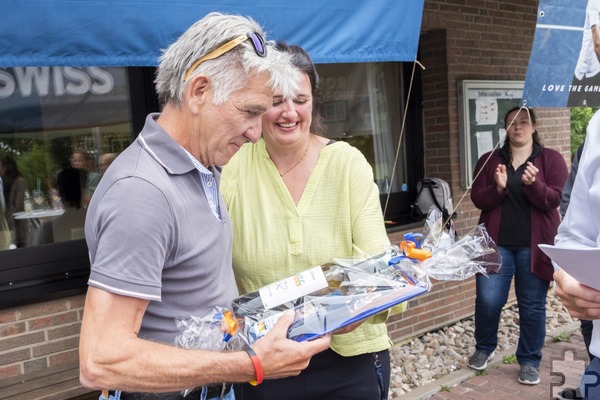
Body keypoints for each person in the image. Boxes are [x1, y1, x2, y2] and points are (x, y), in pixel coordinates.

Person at [79, 13, 330, 400]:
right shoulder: (141, 192)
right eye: (249, 112)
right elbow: (102, 360)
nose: (254, 132)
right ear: (198, 91)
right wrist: (252, 364)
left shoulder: (205, 165)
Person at [221, 43, 405, 400]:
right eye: (276, 100)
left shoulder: (347, 165)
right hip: (265, 360)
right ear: (258, 104)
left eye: (300, 100)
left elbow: (380, 270)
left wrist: (359, 308)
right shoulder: (234, 168)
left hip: (349, 357)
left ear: (313, 102)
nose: (289, 112)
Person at [468, 106, 568, 385]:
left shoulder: (551, 160)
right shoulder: (489, 160)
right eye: (512, 123)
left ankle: (529, 360)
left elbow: (552, 201)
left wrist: (533, 185)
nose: (518, 127)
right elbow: (478, 198)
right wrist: (498, 187)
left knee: (532, 304)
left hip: (534, 247)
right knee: (488, 301)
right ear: (506, 129)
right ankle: (484, 348)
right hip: (496, 245)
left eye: (524, 122)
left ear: (534, 127)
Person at [554, 110, 600, 400]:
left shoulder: (548, 159)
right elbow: (575, 231)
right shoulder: (598, 124)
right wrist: (570, 270)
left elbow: (547, 196)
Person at [556, 142, 593, 400]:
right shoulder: (597, 130)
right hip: (594, 270)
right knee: (590, 323)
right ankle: (589, 386)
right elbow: (571, 202)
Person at [32, 167, 87, 245]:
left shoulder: (47, 230)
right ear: (84, 190)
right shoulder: (96, 223)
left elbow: (37, 255)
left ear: (60, 193)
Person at [568, 0, 600, 107]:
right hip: (584, 70)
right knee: (574, 106)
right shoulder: (595, 2)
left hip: (596, 70)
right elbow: (597, 44)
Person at [0, 155, 29, 247]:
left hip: (18, 227)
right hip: (11, 226)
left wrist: (8, 219)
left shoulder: (19, 181)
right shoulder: (5, 182)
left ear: (6, 168)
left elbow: (19, 205)